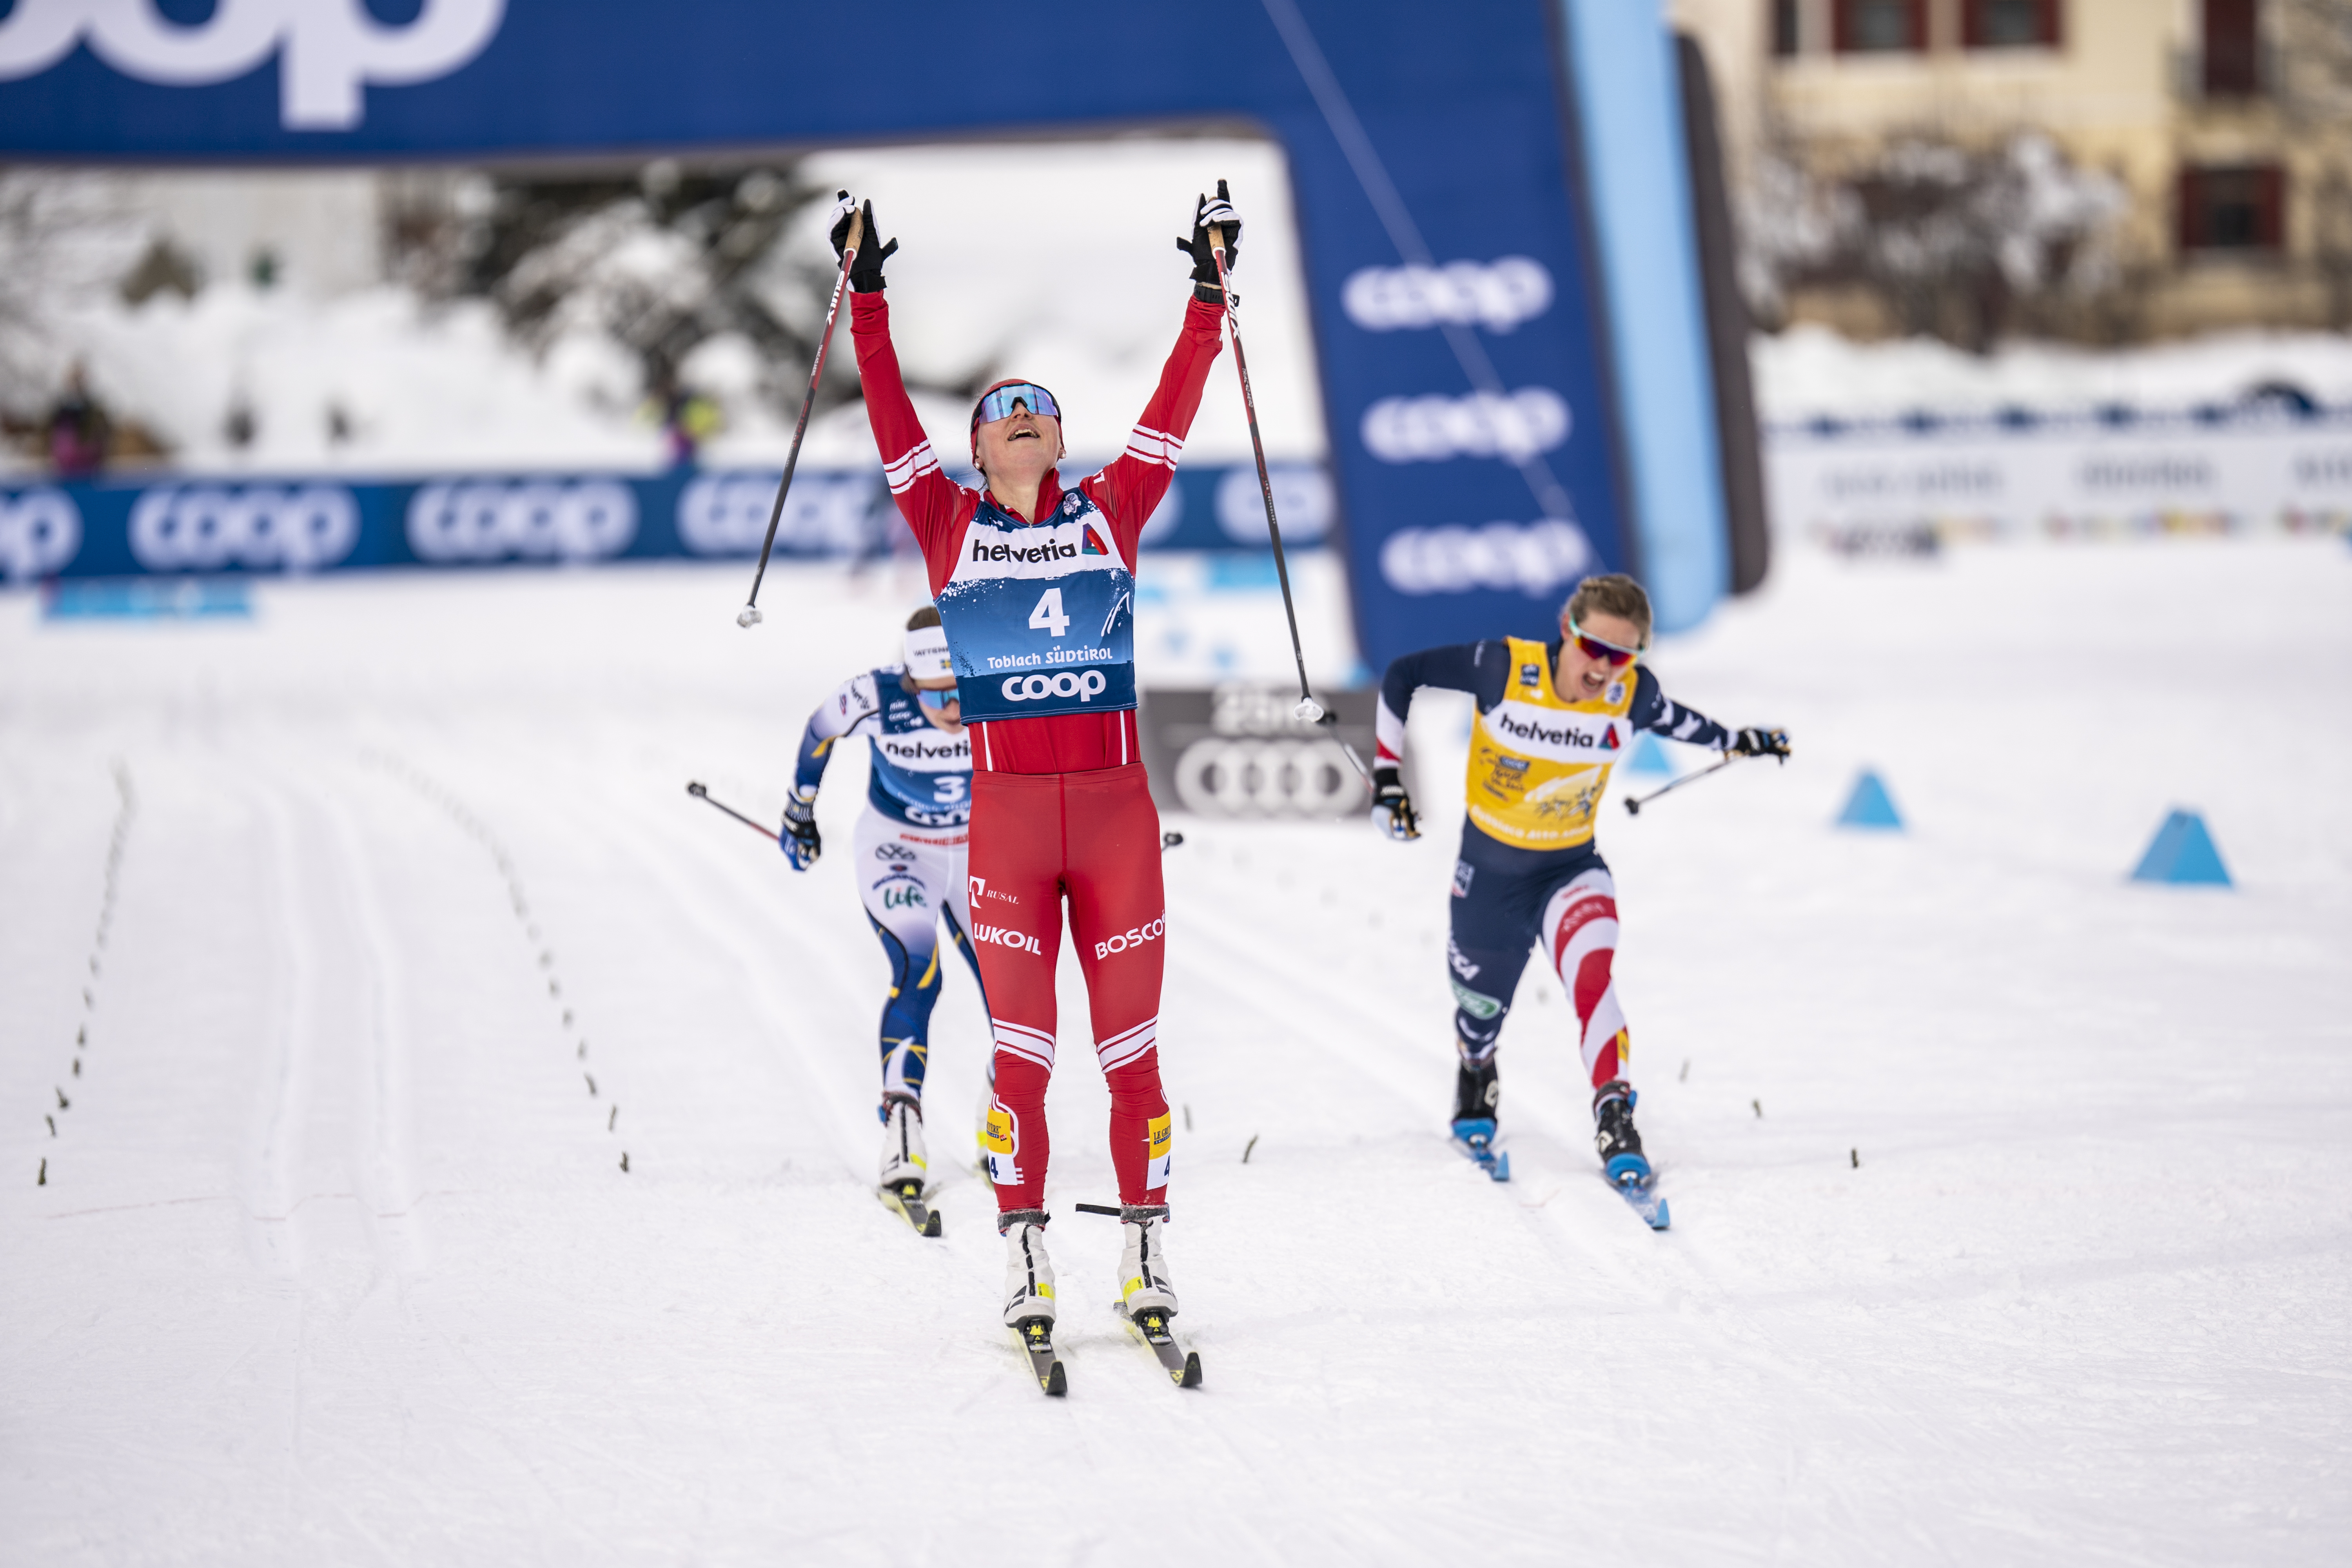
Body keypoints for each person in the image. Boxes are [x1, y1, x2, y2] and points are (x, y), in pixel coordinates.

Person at [840, 185, 1238, 1339]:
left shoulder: (1116, 506)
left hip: (1115, 819)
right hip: (1008, 823)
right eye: (1001, 409)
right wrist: (867, 295)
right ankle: (1024, 1255)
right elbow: (887, 413)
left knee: (1132, 1057)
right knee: (1021, 1055)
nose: (1019, 415)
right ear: (976, 446)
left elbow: (1175, 401)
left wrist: (1208, 294)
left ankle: (1146, 1248)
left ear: (1060, 441)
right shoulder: (946, 522)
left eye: (1039, 409)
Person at [1368, 573, 1789, 1193]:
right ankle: (1477, 1068)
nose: (1604, 668)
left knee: (1594, 981)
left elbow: (1679, 721)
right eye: (1594, 647)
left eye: (1623, 656)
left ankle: (1615, 1115)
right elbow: (1403, 674)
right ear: (1568, 630)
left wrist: (1740, 741)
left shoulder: (1632, 694)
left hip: (1570, 870)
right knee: (1479, 1013)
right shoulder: (1505, 667)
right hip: (1489, 876)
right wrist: (1387, 780)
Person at [780, 606, 989, 1223]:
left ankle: (1000, 1121)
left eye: (962, 691)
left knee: (1014, 990)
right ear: (911, 680)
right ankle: (903, 1128)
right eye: (938, 695)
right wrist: (799, 812)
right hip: (898, 852)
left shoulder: (997, 685)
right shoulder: (877, 695)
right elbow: (819, 730)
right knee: (919, 973)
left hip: (980, 851)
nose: (955, 709)